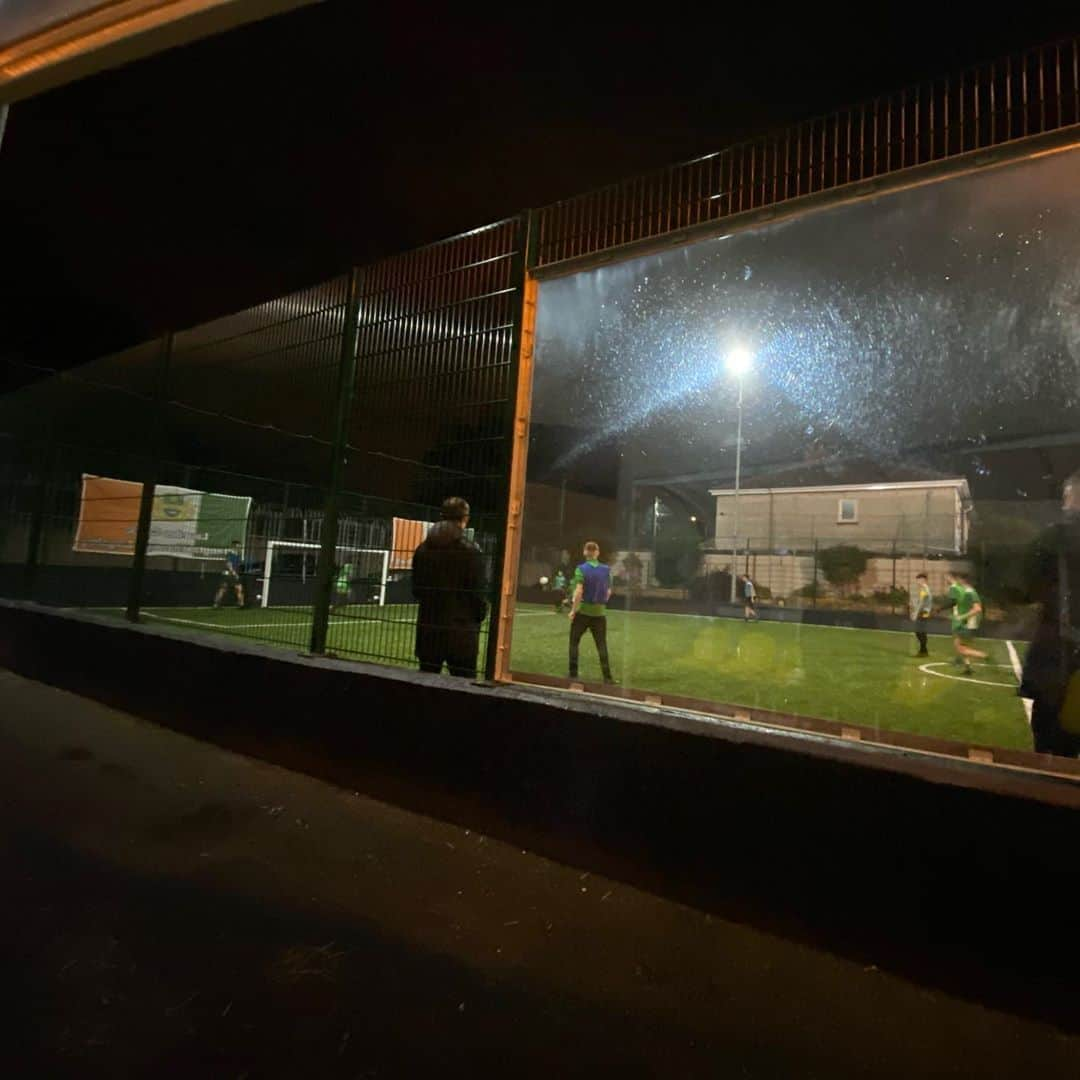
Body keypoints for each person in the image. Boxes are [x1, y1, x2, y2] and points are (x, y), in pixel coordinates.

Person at [1020, 469, 1080, 756]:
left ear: (1071, 497)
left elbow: (1023, 588)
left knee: (1052, 761)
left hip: (1060, 664)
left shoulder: (1056, 536)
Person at [411, 496, 488, 678]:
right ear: (465, 518)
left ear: (441, 516)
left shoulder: (422, 549)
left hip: (429, 629)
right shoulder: (470, 551)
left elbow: (417, 590)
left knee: (425, 686)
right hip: (461, 632)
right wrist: (479, 614)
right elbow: (477, 592)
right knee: (465, 689)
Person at [568, 540, 614, 684]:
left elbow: (579, 591)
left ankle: (573, 674)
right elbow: (608, 592)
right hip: (599, 614)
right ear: (597, 553)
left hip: (584, 612)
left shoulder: (581, 569)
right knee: (601, 645)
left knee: (574, 643)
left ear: (585, 552)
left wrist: (573, 610)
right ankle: (607, 677)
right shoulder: (607, 570)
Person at [945, 571, 986, 675]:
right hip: (965, 623)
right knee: (959, 644)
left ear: (963, 581)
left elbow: (977, 609)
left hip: (968, 624)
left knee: (960, 647)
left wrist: (962, 616)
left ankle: (983, 655)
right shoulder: (966, 591)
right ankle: (967, 667)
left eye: (958, 580)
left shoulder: (970, 592)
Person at [213, 540, 244, 608]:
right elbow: (229, 565)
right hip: (228, 575)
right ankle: (216, 604)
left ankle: (240, 604)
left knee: (238, 588)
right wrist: (234, 573)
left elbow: (237, 565)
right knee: (223, 589)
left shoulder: (238, 556)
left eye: (240, 547)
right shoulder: (230, 555)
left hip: (231, 574)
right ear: (234, 546)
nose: (239, 548)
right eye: (238, 546)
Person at [910, 572, 932, 657]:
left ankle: (923, 651)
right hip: (924, 612)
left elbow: (921, 603)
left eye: (918, 580)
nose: (917, 582)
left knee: (919, 632)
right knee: (921, 632)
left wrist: (915, 613)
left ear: (923, 580)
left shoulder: (924, 589)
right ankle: (924, 651)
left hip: (923, 612)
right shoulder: (925, 589)